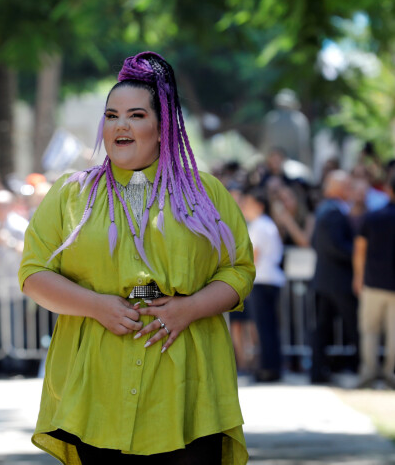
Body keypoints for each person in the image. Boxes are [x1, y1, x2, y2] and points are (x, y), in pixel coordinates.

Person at [20, 52, 255, 464]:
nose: (121, 125)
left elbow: (238, 269)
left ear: (163, 128)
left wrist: (190, 308)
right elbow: (33, 273)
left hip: (187, 388)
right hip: (97, 386)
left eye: (136, 115)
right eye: (111, 116)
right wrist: (96, 306)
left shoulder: (207, 193)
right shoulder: (69, 194)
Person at [309, 170, 358, 384]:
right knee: (352, 326)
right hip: (338, 281)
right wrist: (359, 254)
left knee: (324, 328)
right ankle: (360, 367)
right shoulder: (333, 211)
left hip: (325, 280)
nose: (351, 189)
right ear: (335, 187)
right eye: (347, 185)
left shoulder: (326, 210)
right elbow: (335, 246)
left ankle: (320, 370)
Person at [352, 173, 395, 389]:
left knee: (370, 331)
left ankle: (368, 374)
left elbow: (360, 250)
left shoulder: (373, 217)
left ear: (388, 190)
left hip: (373, 282)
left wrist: (358, 277)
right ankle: (390, 375)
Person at [240, 187, 285, 382]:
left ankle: (268, 368)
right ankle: (272, 367)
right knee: (270, 327)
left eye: (248, 203)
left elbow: (253, 256)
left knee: (264, 327)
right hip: (271, 279)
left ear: (259, 205)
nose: (244, 207)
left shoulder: (259, 225)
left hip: (262, 279)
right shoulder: (267, 224)